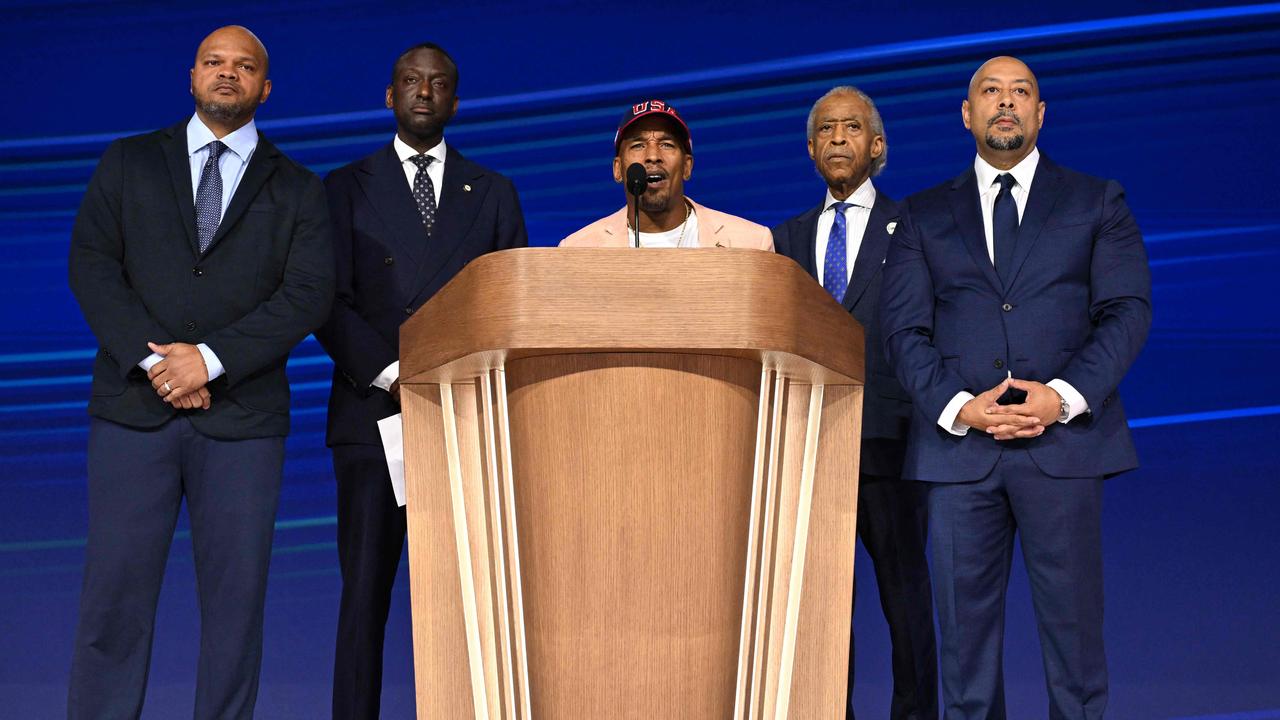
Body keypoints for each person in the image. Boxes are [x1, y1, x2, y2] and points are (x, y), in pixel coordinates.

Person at [66, 25, 334, 720]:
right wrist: (157, 362)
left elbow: (306, 295)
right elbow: (92, 264)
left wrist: (209, 360)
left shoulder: (301, 190)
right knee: (113, 601)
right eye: (214, 62)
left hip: (242, 423)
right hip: (133, 411)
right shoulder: (128, 162)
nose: (227, 74)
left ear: (264, 89)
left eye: (244, 67)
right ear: (191, 77)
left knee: (235, 614)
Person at [880, 56, 1152, 718]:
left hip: (1064, 450)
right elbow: (904, 332)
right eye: (991, 92)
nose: (1007, 102)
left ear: (1040, 114)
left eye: (1021, 92)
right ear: (968, 114)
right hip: (958, 459)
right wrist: (959, 408)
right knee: (964, 666)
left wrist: (1060, 396)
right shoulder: (920, 215)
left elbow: (1127, 310)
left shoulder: (1096, 200)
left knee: (1076, 653)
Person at [314, 41, 528, 720]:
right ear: (389, 95)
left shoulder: (492, 193)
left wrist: (451, 378)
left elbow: (511, 305)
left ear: (455, 101)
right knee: (365, 601)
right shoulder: (343, 188)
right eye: (410, 80)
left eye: (437, 84)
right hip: (371, 419)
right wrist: (393, 371)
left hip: (465, 421)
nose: (424, 92)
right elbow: (325, 299)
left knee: (471, 605)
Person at [772, 86, 937, 720]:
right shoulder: (785, 239)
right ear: (812, 150)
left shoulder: (916, 227)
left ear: (878, 146)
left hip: (891, 442)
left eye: (852, 127)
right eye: (826, 129)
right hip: (808, 446)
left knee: (905, 596)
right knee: (817, 608)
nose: (838, 137)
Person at [560, 99, 772, 249]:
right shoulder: (577, 249)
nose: (653, 155)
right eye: (638, 145)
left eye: (667, 144)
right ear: (617, 169)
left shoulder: (752, 243)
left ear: (687, 166)